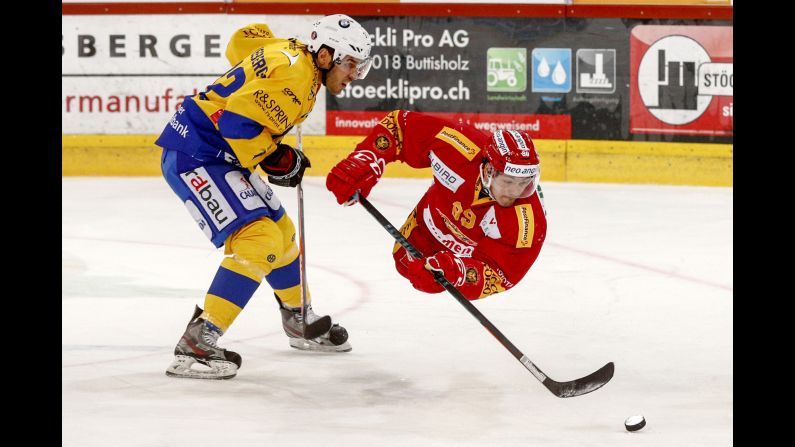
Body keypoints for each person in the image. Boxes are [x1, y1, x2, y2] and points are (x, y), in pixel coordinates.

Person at [156, 14, 374, 379]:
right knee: (259, 239)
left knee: (283, 233)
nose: (354, 74)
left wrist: (266, 51)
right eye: (350, 63)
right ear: (324, 55)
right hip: (196, 154)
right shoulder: (295, 75)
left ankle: (298, 319)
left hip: (218, 152)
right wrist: (278, 158)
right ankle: (198, 341)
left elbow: (241, 42)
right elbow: (236, 124)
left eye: (359, 66)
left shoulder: (286, 52)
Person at [326, 110, 547, 300]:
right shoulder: (458, 143)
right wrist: (367, 159)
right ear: (488, 170)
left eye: (524, 184)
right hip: (423, 228)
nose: (515, 191)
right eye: (508, 182)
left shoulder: (527, 222)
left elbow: (499, 275)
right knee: (403, 262)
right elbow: (398, 126)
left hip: (464, 255)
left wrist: (458, 272)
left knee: (425, 276)